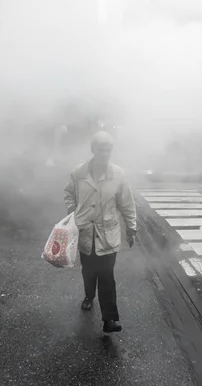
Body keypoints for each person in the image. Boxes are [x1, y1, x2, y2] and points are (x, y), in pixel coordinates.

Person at [64, 131, 137, 333]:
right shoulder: (79, 173)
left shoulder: (118, 174)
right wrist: (72, 209)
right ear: (93, 149)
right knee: (89, 271)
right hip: (85, 231)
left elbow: (127, 203)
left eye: (108, 149)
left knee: (106, 275)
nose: (105, 153)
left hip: (108, 234)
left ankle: (109, 319)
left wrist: (131, 228)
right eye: (101, 149)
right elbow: (68, 193)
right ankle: (89, 295)